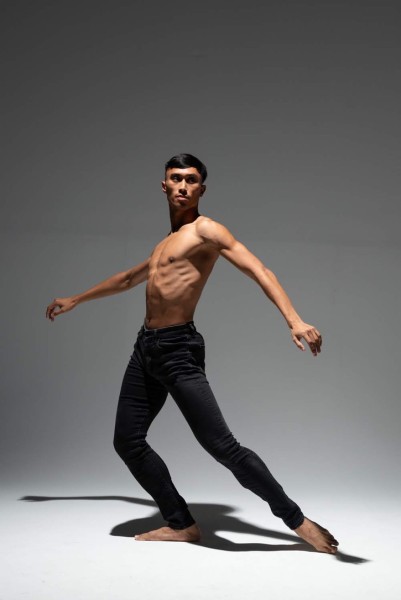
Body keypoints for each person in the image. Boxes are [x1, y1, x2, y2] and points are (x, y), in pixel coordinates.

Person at [46, 153, 338, 554]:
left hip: (177, 349)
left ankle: (296, 520)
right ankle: (181, 523)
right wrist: (77, 299)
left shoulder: (207, 232)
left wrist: (294, 319)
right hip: (145, 350)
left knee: (222, 446)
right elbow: (130, 278)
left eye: (192, 180)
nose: (183, 186)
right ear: (163, 185)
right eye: (176, 178)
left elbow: (259, 270)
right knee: (127, 441)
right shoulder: (166, 242)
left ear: (202, 188)